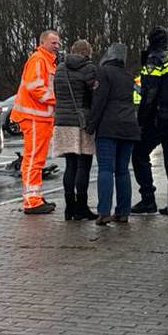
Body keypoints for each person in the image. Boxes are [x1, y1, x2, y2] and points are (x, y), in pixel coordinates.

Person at [130, 26, 168, 215]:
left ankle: (148, 200)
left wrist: (141, 121)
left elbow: (150, 93)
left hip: (159, 116)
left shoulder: (155, 59)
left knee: (139, 154)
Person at [87, 43, 141, 225]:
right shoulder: (129, 76)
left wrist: (91, 126)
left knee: (106, 169)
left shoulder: (103, 72)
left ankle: (104, 212)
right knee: (122, 170)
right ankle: (123, 212)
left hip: (108, 127)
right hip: (129, 126)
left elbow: (99, 101)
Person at [11, 29, 59, 214]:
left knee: (37, 159)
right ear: (43, 43)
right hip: (34, 117)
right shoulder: (39, 59)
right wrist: (57, 99)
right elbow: (35, 88)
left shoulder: (47, 61)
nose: (57, 46)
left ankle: (35, 197)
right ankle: (32, 201)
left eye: (58, 43)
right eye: (53, 42)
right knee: (33, 159)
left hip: (40, 117)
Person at [52, 39, 99, 221]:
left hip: (62, 121)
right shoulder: (89, 69)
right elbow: (94, 95)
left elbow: (56, 93)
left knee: (70, 165)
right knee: (83, 165)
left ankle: (69, 208)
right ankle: (82, 207)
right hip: (81, 122)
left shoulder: (60, 69)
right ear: (87, 53)